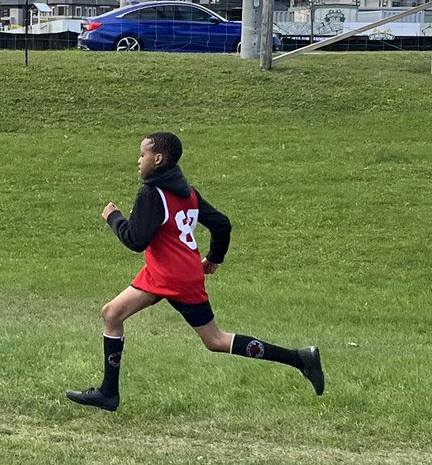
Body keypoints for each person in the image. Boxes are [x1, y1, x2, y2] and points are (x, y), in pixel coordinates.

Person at [66, 132, 324, 411]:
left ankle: (299, 358)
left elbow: (135, 240)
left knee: (215, 340)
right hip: (167, 273)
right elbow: (222, 224)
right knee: (112, 313)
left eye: (142, 155)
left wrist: (113, 218)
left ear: (158, 158)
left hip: (172, 278)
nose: (138, 161)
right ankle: (108, 393)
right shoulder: (188, 192)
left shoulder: (152, 193)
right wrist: (214, 259)